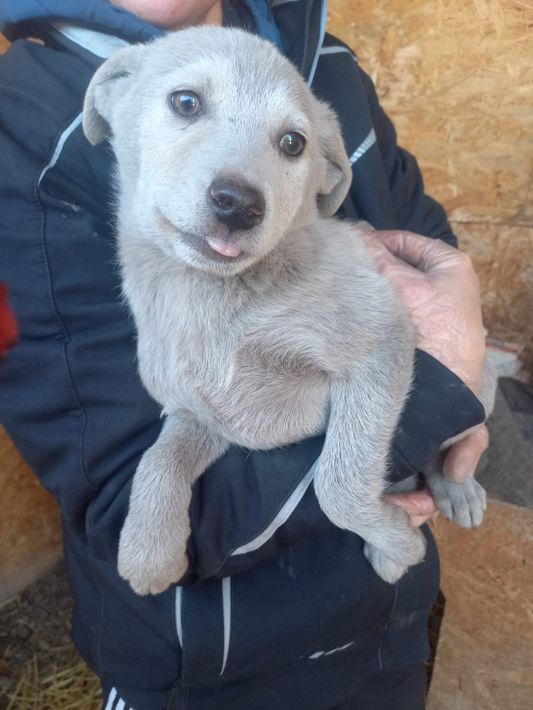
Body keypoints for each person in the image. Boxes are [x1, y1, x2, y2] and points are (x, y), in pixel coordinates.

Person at [0, 1, 489, 708]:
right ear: (111, 96)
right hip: (210, 666)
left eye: (289, 144)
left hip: (390, 625)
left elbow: (426, 242)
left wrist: (462, 396)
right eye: (187, 105)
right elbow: (121, 494)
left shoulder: (332, 66)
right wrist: (446, 378)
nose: (240, 190)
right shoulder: (22, 130)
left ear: (320, 171)